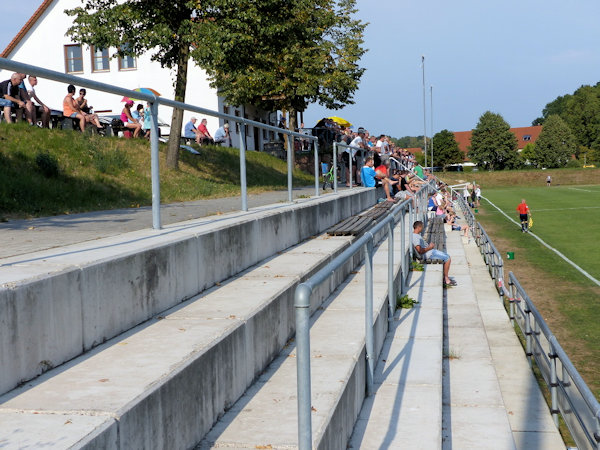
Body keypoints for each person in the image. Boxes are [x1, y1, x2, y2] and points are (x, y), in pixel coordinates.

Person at [412, 221, 456, 287]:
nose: (422, 229)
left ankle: (445, 277)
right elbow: (420, 251)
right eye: (422, 227)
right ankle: (446, 279)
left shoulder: (415, 235)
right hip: (429, 254)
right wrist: (430, 247)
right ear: (419, 227)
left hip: (430, 251)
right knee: (448, 258)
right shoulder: (415, 237)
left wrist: (430, 247)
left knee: (446, 256)